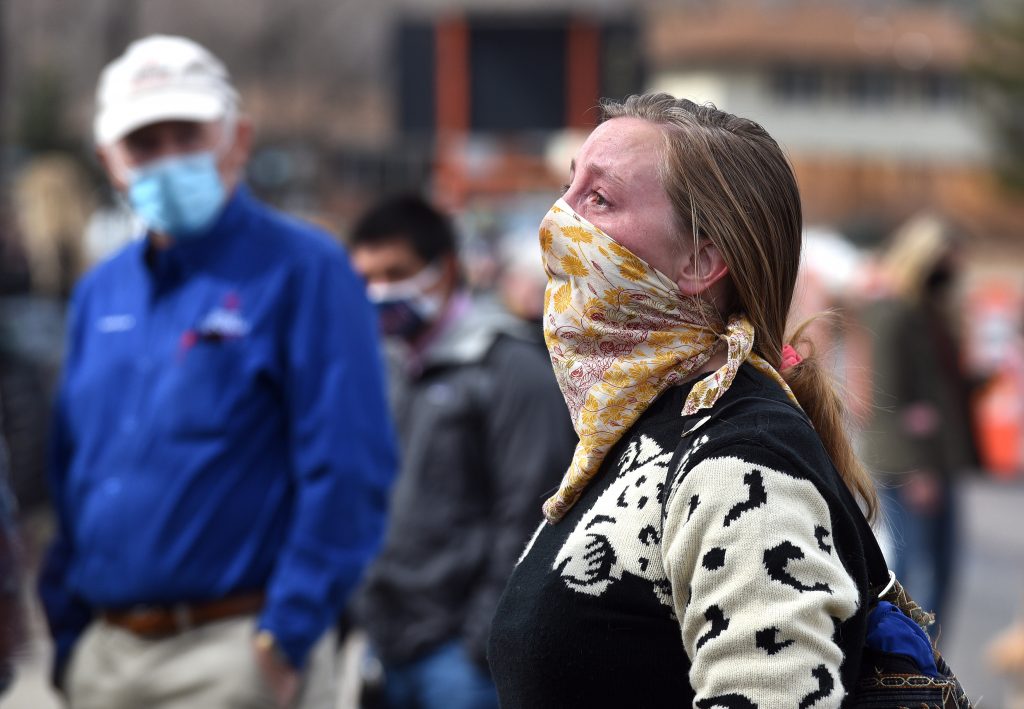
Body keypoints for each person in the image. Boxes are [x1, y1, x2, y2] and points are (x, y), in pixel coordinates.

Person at [488, 94, 889, 707]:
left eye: (599, 199)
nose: (554, 221)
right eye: (570, 187)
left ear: (701, 262)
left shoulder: (743, 462)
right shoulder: (647, 427)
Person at [38, 35, 397, 709]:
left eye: (188, 133)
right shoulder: (99, 292)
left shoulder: (306, 269)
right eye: (144, 142)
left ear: (238, 138)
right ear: (109, 162)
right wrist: (68, 640)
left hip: (236, 654)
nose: (169, 157)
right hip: (104, 657)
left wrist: (284, 637)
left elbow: (349, 466)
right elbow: (71, 470)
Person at [348, 195, 576, 709]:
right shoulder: (382, 366)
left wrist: (479, 640)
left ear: (445, 269)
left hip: (461, 660)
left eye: (395, 273)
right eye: (366, 278)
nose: (379, 292)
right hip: (383, 644)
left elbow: (530, 512)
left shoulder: (509, 367)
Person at [859, 214, 978, 630]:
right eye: (946, 259)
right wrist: (916, 470)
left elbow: (939, 388)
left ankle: (926, 661)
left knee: (942, 569)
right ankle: (907, 662)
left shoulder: (932, 313)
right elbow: (887, 397)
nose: (953, 269)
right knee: (916, 570)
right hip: (910, 461)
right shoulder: (893, 313)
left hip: (936, 456)